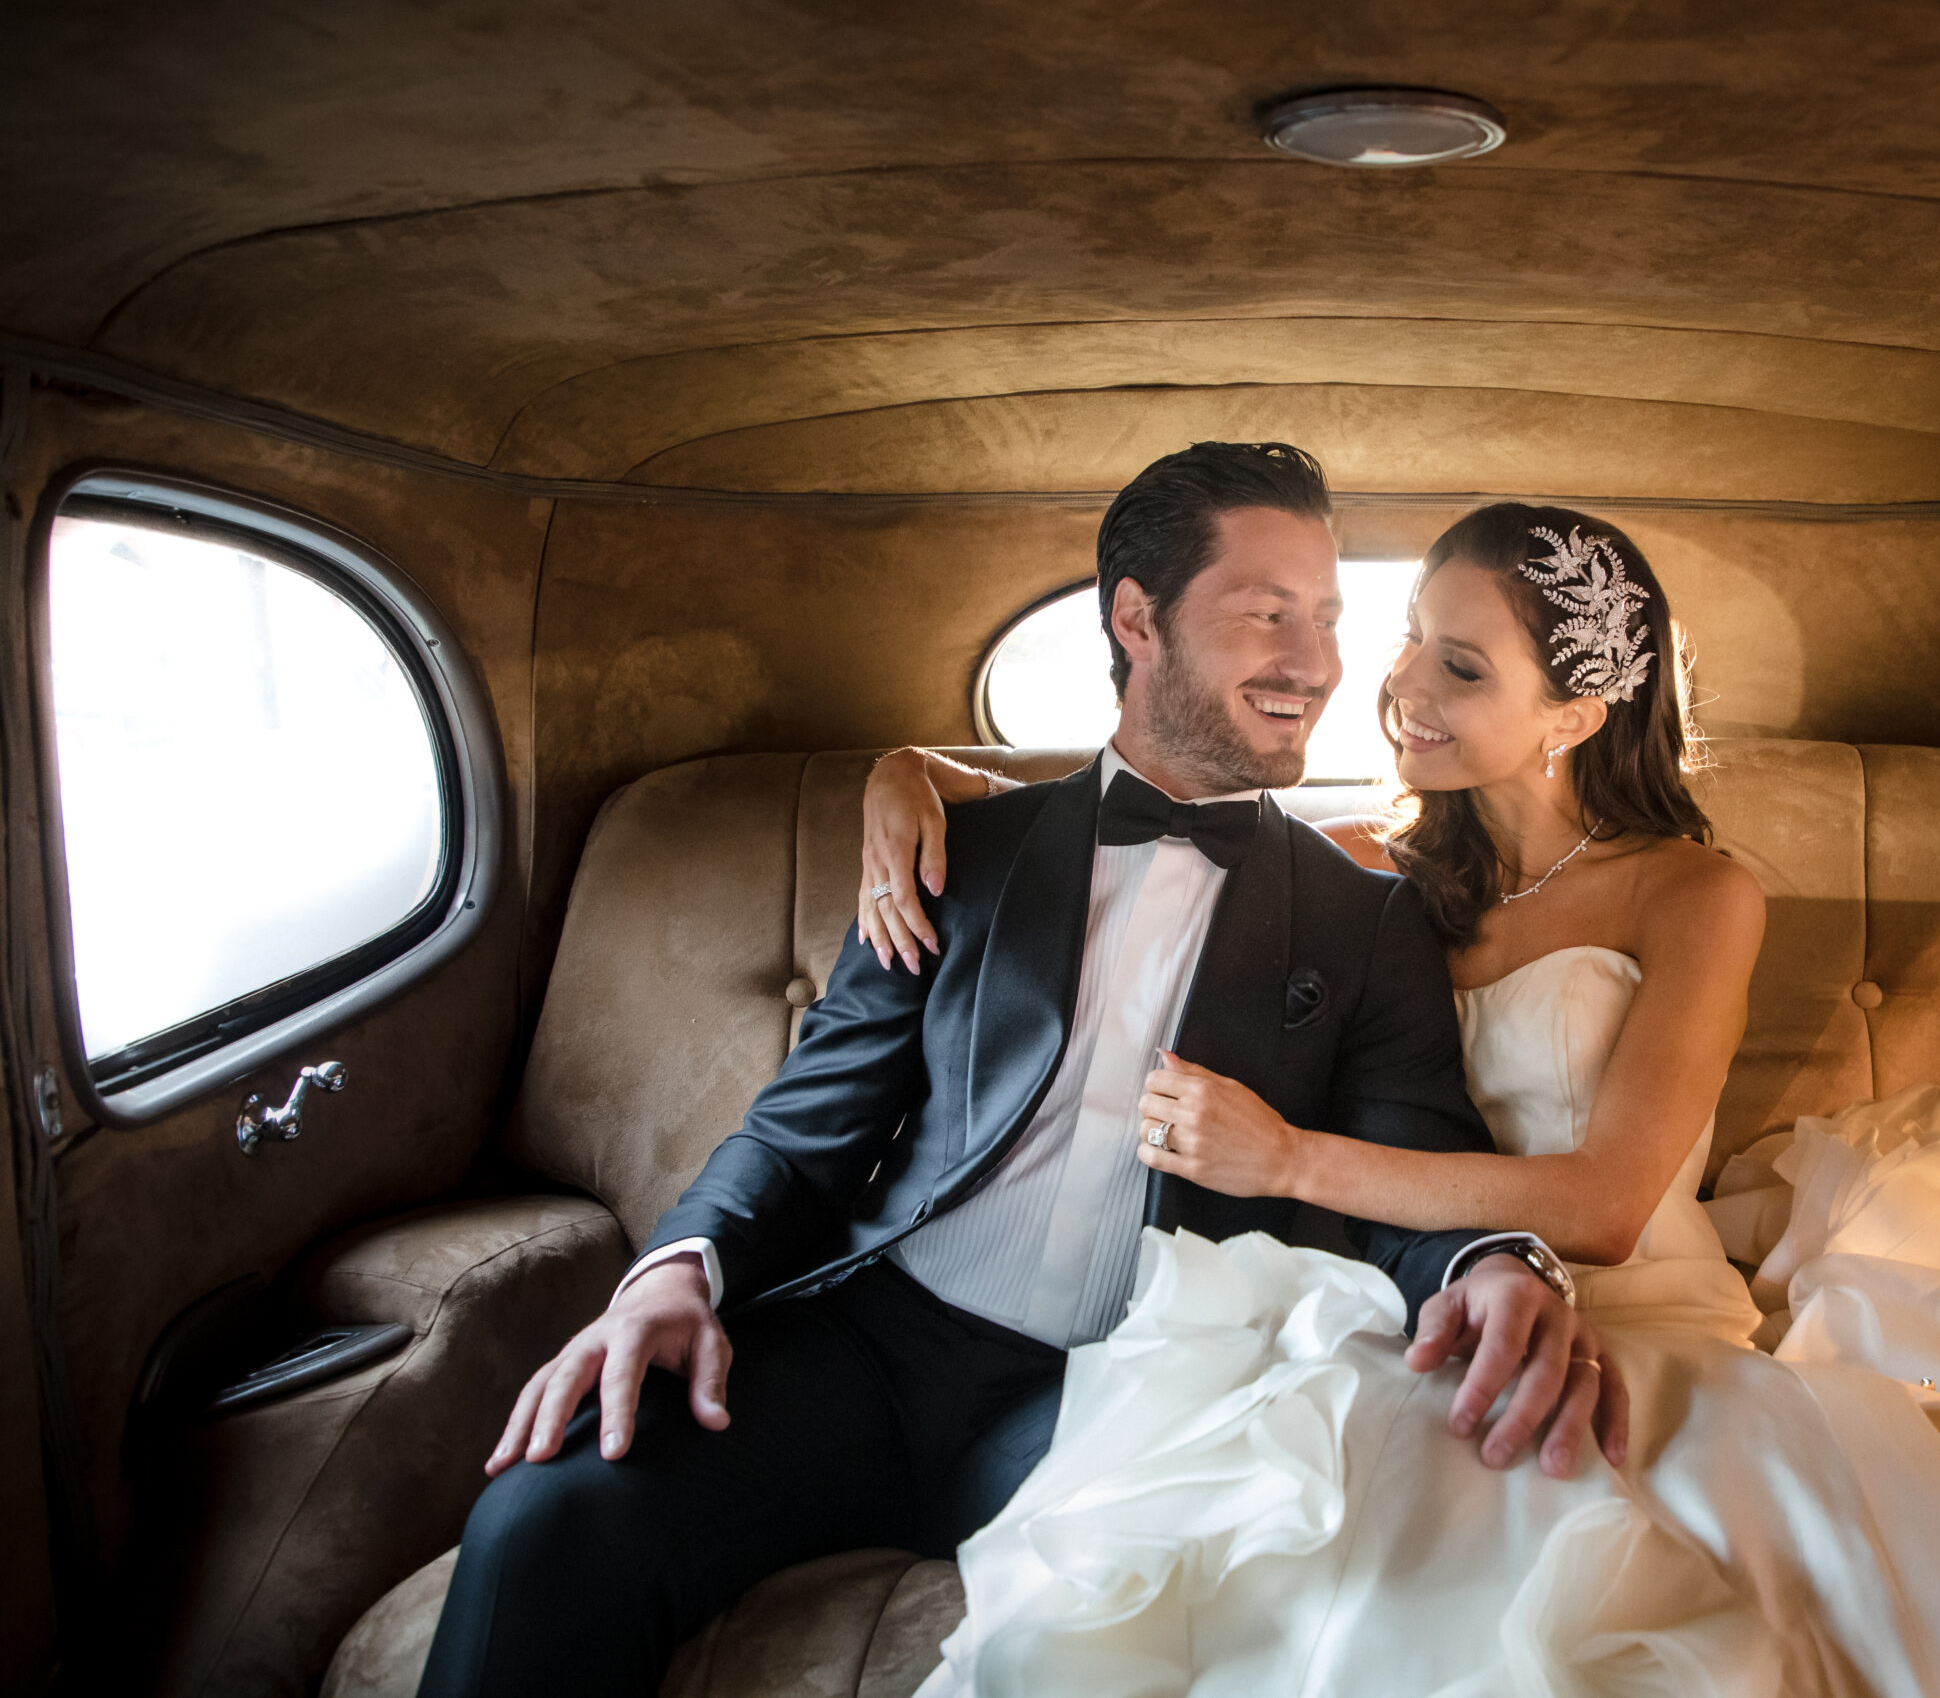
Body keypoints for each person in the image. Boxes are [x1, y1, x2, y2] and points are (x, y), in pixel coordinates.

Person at [858, 504, 1940, 1697]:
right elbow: (1120, 797)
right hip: (1423, 1290)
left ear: (1579, 709)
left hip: (1636, 1298)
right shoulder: (1376, 863)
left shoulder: (1697, 893)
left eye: (1460, 667)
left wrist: (1293, 1153)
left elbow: (1601, 1198)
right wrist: (906, 773)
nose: (1399, 694)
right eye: (1410, 649)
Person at [418, 445, 1614, 1698]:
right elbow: (806, 1126)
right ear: (1136, 620)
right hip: (872, 1345)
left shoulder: (1367, 919)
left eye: (1324, 619)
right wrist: (676, 1271)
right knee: (546, 1517)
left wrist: (1493, 1260)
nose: (1315, 664)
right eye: (1268, 613)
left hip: (1130, 1387)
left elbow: (1411, 1157)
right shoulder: (958, 850)